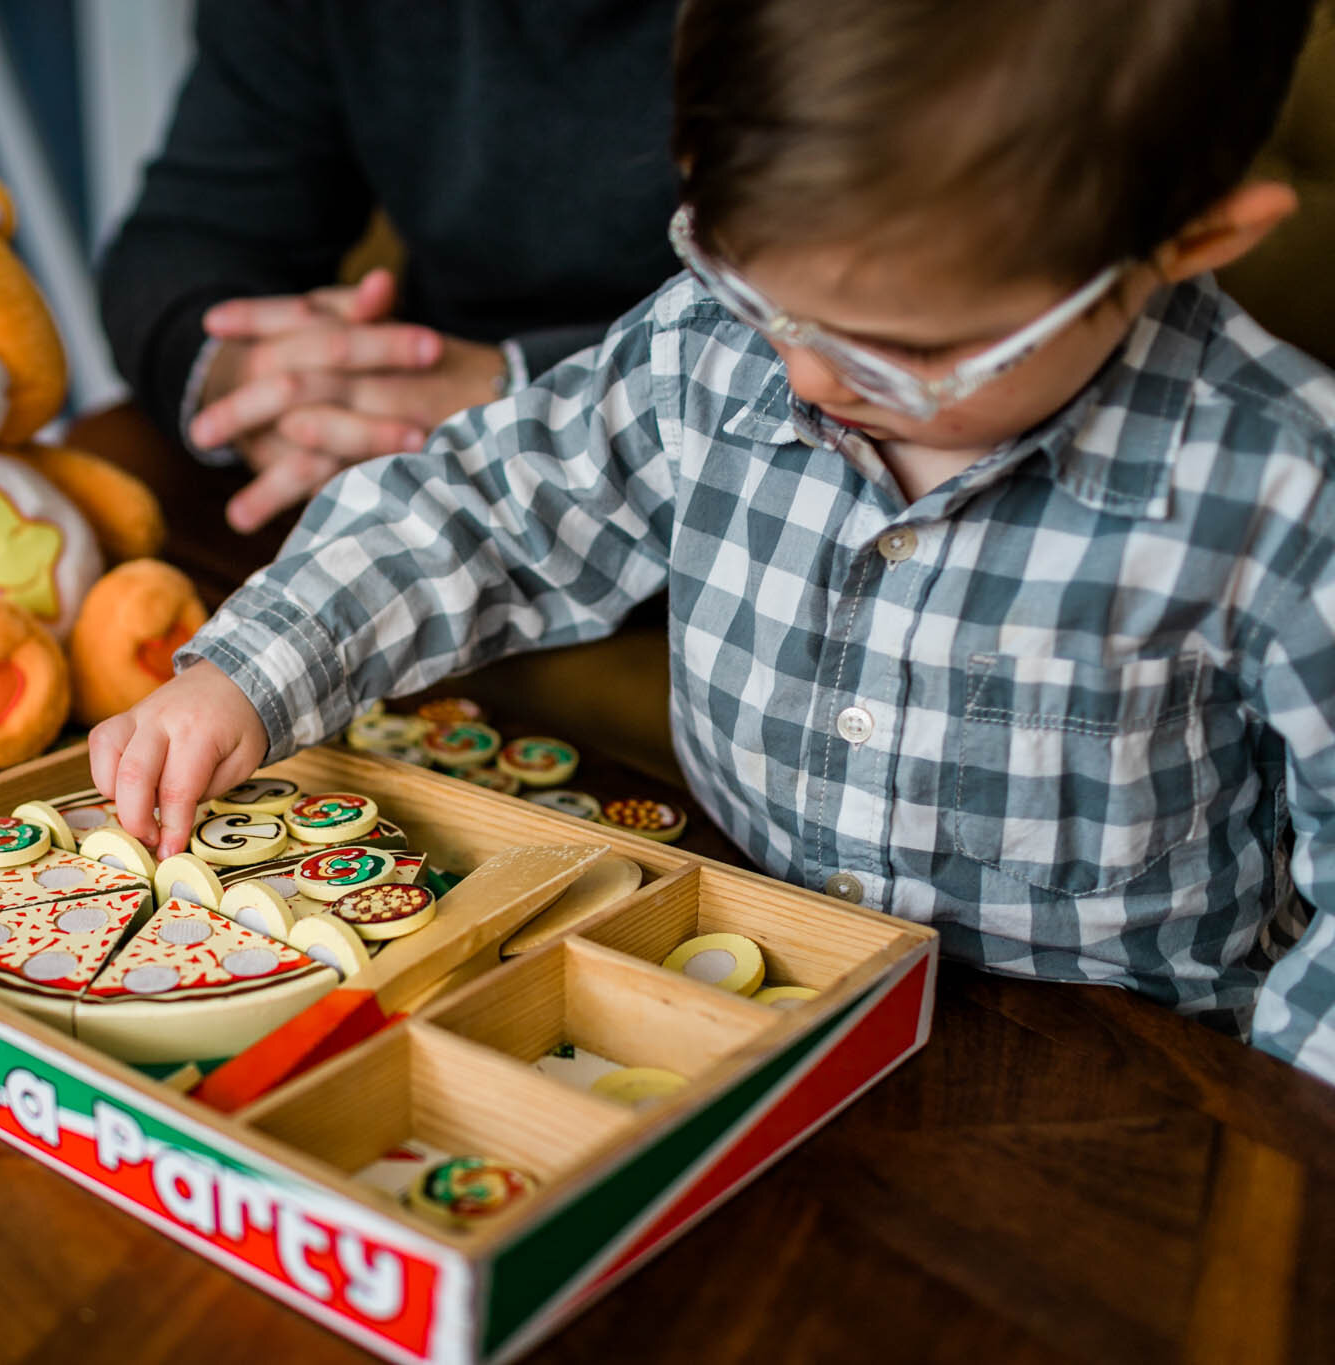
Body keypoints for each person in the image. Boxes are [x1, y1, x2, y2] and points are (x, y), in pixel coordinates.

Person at [88, 0, 1335, 1084]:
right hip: (737, 985)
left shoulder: (1281, 492)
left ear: (1192, 237)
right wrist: (251, 666)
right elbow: (475, 508)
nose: (798, 368)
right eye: (748, 281)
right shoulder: (712, 344)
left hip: (1102, 1079)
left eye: (898, 350)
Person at [96, 1, 684, 533]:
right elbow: (182, 238)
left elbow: (772, 322)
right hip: (411, 434)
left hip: (711, 449)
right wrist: (264, 379)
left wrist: (520, 395)